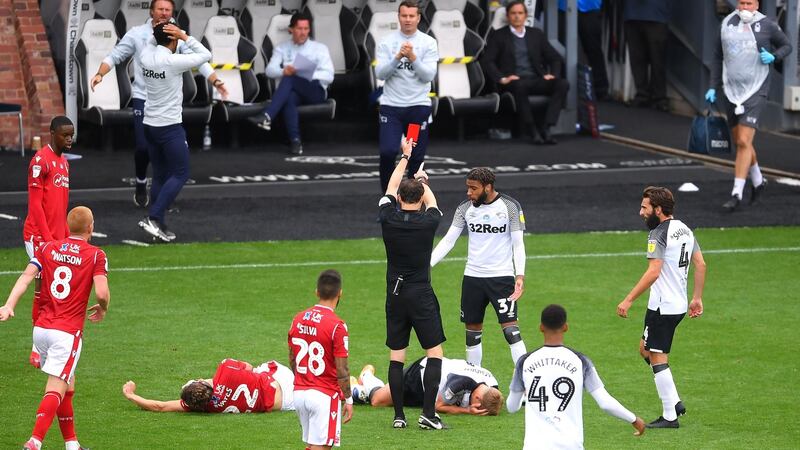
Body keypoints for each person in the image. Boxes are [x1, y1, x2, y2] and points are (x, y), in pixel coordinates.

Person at [91, 0, 227, 208]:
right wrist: (100, 74)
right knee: (144, 147)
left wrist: (216, 80)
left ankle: (161, 200)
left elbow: (198, 60)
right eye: (160, 9)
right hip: (143, 98)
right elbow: (115, 55)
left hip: (166, 102)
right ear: (151, 11)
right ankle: (140, 181)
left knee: (164, 155)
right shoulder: (138, 34)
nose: (164, 13)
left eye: (168, 10)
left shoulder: (174, 33)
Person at [1, 206, 110, 450]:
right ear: (91, 228)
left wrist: (8, 305)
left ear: (67, 227)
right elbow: (101, 292)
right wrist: (103, 307)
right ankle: (34, 442)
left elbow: (26, 277)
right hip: (66, 333)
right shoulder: (96, 255)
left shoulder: (47, 248)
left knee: (67, 384)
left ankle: (72, 444)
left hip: (41, 330)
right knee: (56, 387)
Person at [616, 186, 706, 428]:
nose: (640, 212)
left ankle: (670, 416)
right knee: (645, 349)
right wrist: (696, 297)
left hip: (663, 307)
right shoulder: (684, 228)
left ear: (658, 209)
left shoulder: (658, 234)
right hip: (672, 304)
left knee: (656, 356)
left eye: (645, 207)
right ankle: (674, 401)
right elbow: (701, 264)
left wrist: (629, 299)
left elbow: (653, 271)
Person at [378, 137, 446, 430]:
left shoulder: (387, 218)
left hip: (395, 293)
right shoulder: (428, 222)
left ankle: (398, 416)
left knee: (397, 356)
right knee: (435, 353)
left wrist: (405, 158)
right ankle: (428, 414)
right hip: (420, 294)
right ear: (418, 198)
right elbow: (431, 201)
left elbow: (391, 188)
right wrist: (423, 180)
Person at [508, 305, 646, 448]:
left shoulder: (524, 362)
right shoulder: (580, 361)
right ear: (566, 327)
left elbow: (512, 407)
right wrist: (634, 419)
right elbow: (605, 403)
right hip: (570, 444)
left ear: (541, 327)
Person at [431, 168, 527, 368]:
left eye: (473, 188)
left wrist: (520, 276)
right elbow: (449, 241)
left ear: (488, 187)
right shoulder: (465, 208)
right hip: (473, 278)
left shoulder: (510, 207)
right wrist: (427, 265)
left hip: (502, 278)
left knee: (511, 332)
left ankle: (526, 383)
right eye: (468, 188)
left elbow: (518, 244)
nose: (469, 193)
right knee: (472, 334)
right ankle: (475, 382)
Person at [706, 0, 791, 211]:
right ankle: (759, 181)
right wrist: (712, 86)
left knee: (744, 140)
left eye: (749, 3)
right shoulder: (726, 24)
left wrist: (774, 56)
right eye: (742, 2)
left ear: (757, 4)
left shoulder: (768, 25)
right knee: (739, 141)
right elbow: (717, 56)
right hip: (731, 90)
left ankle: (736, 193)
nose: (745, 7)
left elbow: (786, 45)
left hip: (756, 89)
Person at [137, 20, 212, 242]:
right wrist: (183, 35)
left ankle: (157, 224)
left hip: (150, 125)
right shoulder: (172, 61)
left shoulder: (146, 55)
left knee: (160, 174)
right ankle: (154, 216)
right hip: (169, 128)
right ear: (172, 39)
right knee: (181, 173)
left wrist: (165, 31)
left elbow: (155, 40)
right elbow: (205, 54)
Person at [22, 116, 74, 368]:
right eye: (65, 135)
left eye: (71, 135)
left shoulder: (64, 164)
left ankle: (43, 346)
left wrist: (66, 239)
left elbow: (61, 207)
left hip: (56, 237)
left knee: (53, 292)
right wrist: (47, 240)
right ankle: (36, 349)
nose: (69, 139)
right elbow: (35, 205)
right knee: (43, 291)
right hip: (38, 237)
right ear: (52, 133)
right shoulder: (40, 161)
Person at [481, 0, 569, 145]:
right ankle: (532, 130)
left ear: (525, 16)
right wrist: (502, 78)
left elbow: (555, 58)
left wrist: (552, 74)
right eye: (513, 13)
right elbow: (487, 61)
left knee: (562, 84)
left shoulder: (536, 34)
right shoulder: (499, 36)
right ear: (508, 16)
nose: (517, 16)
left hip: (536, 78)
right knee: (520, 86)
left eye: (520, 13)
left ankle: (546, 127)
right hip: (513, 80)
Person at [248, 12, 334, 155]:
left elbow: (329, 76)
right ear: (291, 29)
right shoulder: (282, 47)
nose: (303, 33)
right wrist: (283, 71)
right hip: (294, 91)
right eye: (299, 29)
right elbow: (269, 71)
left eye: (306, 29)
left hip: (316, 91)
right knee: (289, 98)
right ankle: (295, 141)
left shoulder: (320, 48)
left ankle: (267, 116)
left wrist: (306, 73)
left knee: (291, 78)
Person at [375, 0, 438, 193]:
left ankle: (412, 202)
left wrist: (412, 57)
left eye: (412, 16)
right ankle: (388, 199)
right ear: (399, 17)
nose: (408, 19)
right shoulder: (387, 41)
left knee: (415, 157)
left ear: (418, 18)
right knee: (387, 153)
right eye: (404, 15)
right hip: (392, 107)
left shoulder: (428, 42)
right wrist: (397, 58)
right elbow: (380, 74)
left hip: (417, 108)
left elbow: (428, 75)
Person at [288, 269, 353, 449]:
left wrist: (302, 381)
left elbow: (292, 358)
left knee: (313, 444)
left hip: (300, 393)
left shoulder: (298, 319)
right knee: (322, 447)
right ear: (340, 293)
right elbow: (342, 369)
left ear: (317, 292)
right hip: (324, 395)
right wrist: (349, 399)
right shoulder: (337, 326)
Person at [122, 358, 295, 413]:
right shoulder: (224, 369)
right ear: (201, 382)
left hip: (287, 404)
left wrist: (132, 396)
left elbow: (160, 406)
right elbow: (248, 367)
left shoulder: (202, 407)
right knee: (260, 368)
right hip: (282, 380)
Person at [351, 358, 504, 416]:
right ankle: (366, 376)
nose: (474, 406)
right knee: (377, 400)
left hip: (434, 388)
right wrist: (467, 411)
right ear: (477, 398)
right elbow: (437, 405)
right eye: (477, 405)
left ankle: (361, 389)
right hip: (420, 376)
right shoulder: (460, 382)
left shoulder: (492, 386)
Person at [623, 0, 671, 111]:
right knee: (637, 58)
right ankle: (643, 94)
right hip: (634, 13)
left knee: (657, 59)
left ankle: (658, 97)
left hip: (656, 13)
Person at [558, 0, 609, 99]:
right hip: (563, 6)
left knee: (593, 48)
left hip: (589, 5)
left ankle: (600, 88)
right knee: (561, 48)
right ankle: (562, 87)